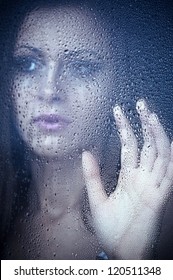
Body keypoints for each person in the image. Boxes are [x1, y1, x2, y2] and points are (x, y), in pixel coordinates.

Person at [0, 0, 173, 259]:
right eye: (28, 64)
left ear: (117, 84)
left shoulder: (159, 214)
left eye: (82, 67)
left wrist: (131, 260)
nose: (49, 91)